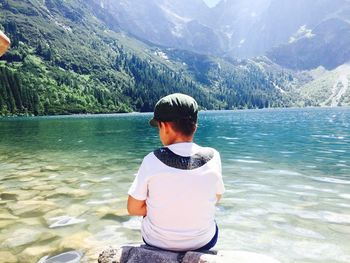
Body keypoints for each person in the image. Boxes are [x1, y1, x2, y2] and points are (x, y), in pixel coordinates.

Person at [127, 93, 225, 252]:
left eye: (158, 126)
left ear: (164, 127)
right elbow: (216, 197)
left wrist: (159, 207)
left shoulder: (152, 160)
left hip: (156, 242)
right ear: (195, 125)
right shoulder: (213, 156)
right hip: (203, 242)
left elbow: (133, 208)